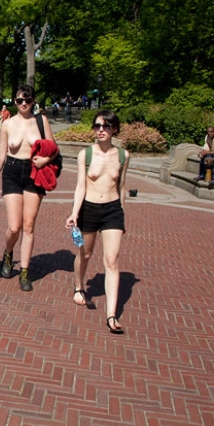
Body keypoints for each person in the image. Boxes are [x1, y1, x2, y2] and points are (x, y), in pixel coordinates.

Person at [0, 85, 58, 292]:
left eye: (27, 100)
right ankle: (8, 253)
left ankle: (24, 271)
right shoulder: (8, 124)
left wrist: (45, 159)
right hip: (12, 172)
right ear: (14, 102)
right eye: (19, 100)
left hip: (35, 172)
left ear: (33, 101)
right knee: (14, 227)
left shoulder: (41, 121)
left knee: (28, 226)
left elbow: (53, 148)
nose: (24, 103)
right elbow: (0, 156)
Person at [65, 110, 130, 334]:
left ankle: (111, 315)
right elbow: (80, 186)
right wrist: (74, 213)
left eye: (105, 126)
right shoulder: (86, 155)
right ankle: (78, 286)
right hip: (89, 209)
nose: (100, 130)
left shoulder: (123, 156)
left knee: (111, 260)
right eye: (97, 126)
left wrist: (122, 213)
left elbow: (121, 186)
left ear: (114, 129)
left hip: (112, 210)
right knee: (85, 254)